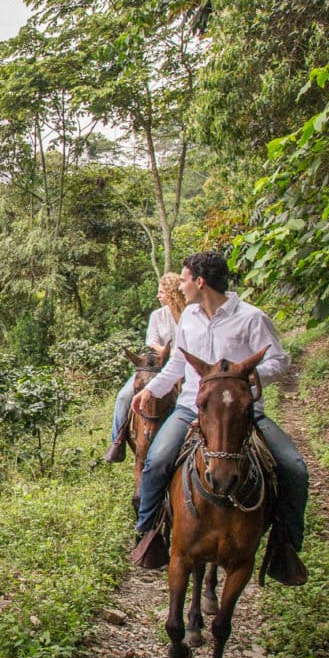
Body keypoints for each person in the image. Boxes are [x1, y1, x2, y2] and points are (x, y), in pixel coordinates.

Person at [131, 250, 308, 584]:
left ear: (200, 281)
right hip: (190, 407)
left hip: (242, 414)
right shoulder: (189, 318)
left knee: (294, 468)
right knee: (156, 461)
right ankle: (149, 533)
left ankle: (285, 545)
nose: (180, 286)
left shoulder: (252, 318)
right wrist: (151, 390)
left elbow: (280, 361)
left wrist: (252, 378)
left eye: (183, 279)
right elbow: (178, 365)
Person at [104, 273, 186, 463]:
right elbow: (151, 341)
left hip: (186, 365)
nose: (158, 296)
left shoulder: (190, 314)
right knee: (125, 395)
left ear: (172, 293)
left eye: (161, 292)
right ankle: (118, 439)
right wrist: (169, 352)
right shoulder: (158, 316)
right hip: (158, 365)